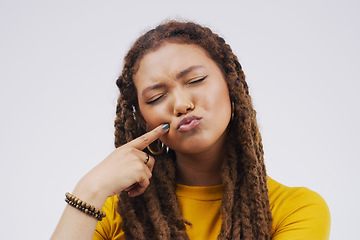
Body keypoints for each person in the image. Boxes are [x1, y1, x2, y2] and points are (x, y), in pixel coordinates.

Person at [51, 21, 331, 240]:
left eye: (195, 80)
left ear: (231, 84)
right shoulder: (113, 212)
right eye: (156, 98)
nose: (182, 104)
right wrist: (89, 190)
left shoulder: (296, 209)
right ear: (143, 120)